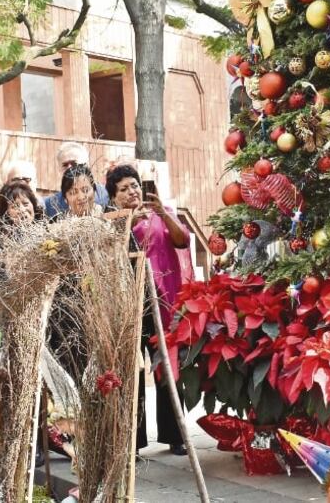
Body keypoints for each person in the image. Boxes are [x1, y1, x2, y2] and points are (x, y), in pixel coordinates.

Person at [106, 165, 191, 456]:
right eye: (124, 189)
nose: (132, 192)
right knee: (133, 373)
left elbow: (183, 241)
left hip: (163, 301)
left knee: (166, 368)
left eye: (134, 186)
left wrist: (162, 213)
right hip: (130, 306)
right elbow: (109, 252)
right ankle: (134, 441)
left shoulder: (161, 212)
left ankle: (175, 434)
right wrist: (128, 223)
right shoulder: (114, 222)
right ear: (114, 197)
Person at [43, 143, 110, 218]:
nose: (69, 168)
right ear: (59, 169)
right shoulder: (50, 204)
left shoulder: (106, 194)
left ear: (86, 165)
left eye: (74, 163)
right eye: (65, 165)